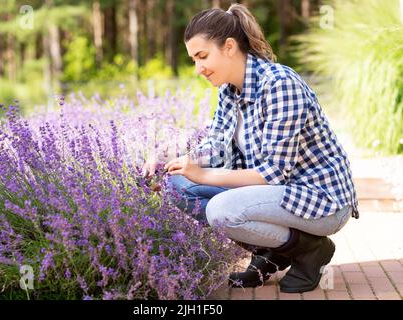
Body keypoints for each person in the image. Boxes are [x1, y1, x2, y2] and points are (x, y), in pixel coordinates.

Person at [142, 3, 359, 294]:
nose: (198, 69)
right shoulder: (229, 90)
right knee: (177, 186)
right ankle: (273, 251)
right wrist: (169, 158)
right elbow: (217, 146)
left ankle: (309, 250)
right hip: (276, 197)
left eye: (203, 56)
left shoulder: (280, 85)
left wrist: (203, 175)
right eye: (194, 59)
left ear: (229, 47)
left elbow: (272, 173)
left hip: (320, 201)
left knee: (221, 210)